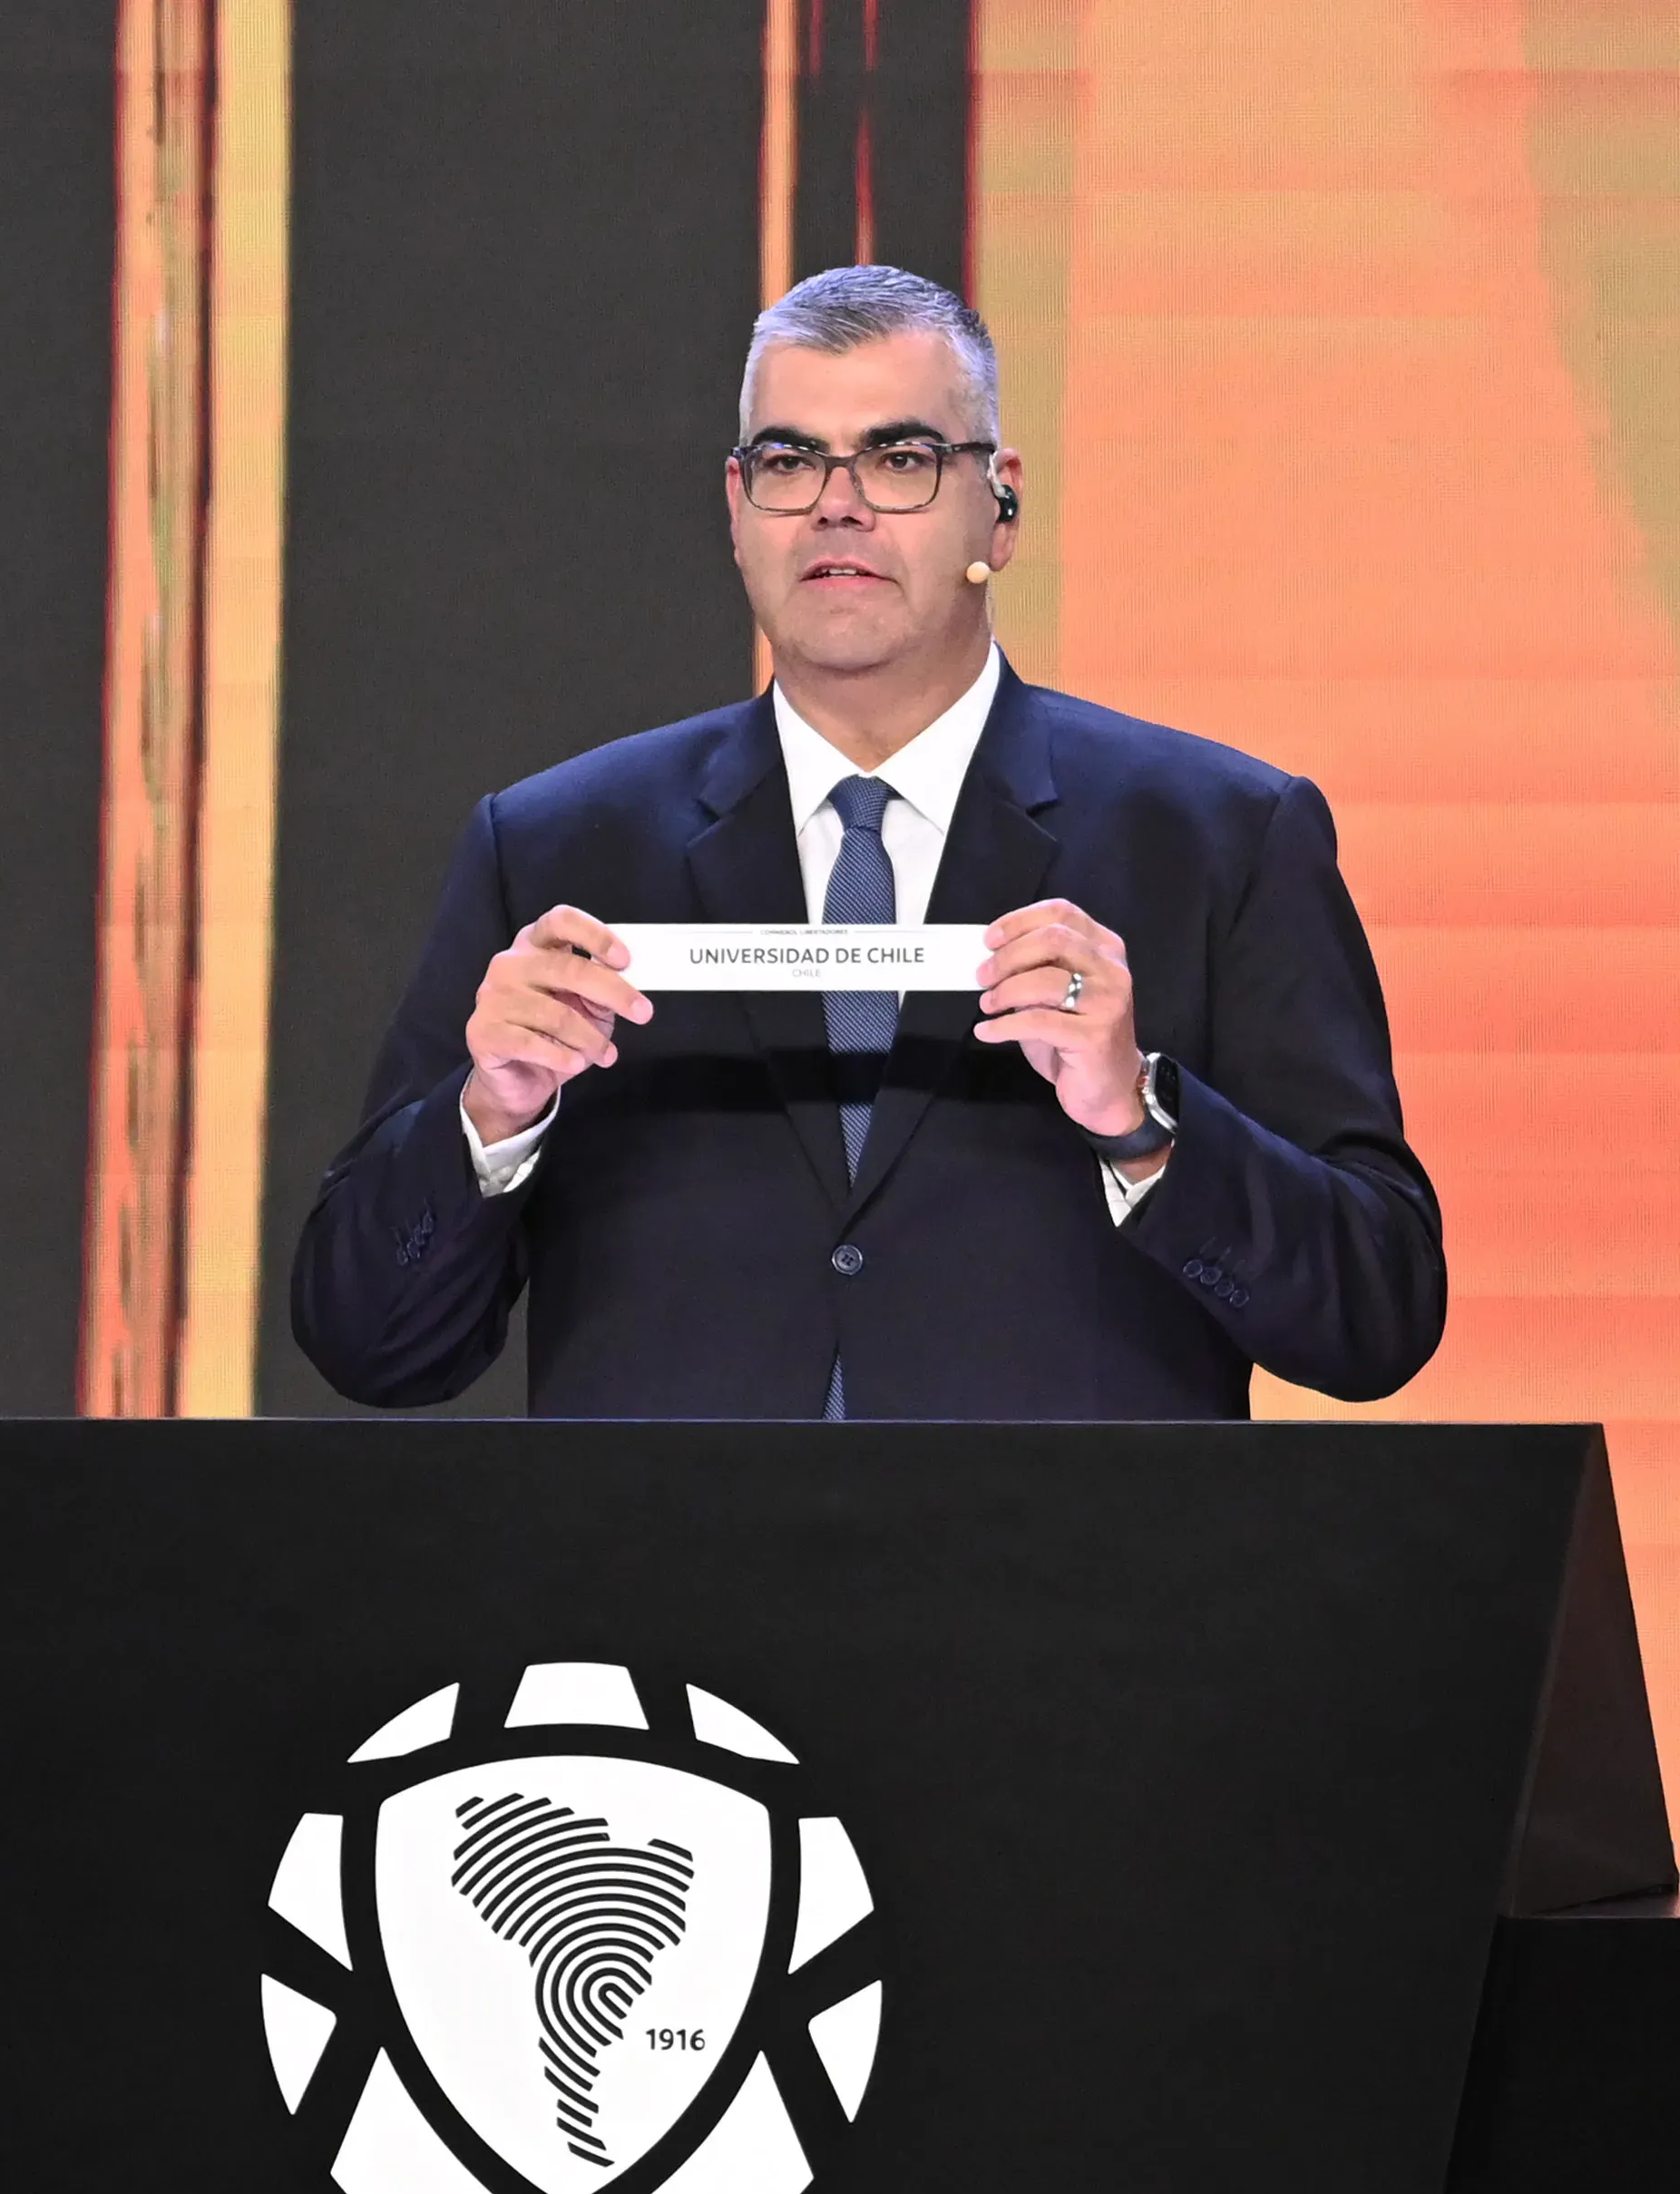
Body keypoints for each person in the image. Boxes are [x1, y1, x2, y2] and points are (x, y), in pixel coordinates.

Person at [290, 266, 1443, 1420]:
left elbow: (1375, 1317)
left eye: (899, 460)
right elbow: (369, 1348)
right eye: (790, 462)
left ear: (1001, 501)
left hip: (1071, 1587)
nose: (836, 506)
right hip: (660, 1589)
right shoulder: (554, 848)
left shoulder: (1217, 837)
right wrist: (488, 1122)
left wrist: (1142, 1124)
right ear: (736, 510)